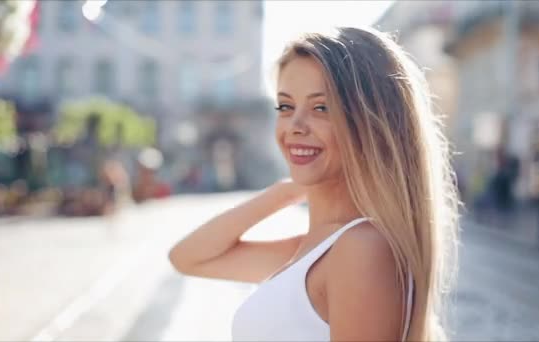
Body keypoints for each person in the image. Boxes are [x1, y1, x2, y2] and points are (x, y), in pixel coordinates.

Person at [169, 27, 459, 341]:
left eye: (321, 107)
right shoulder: (316, 248)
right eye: (285, 106)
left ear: (370, 123)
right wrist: (283, 192)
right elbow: (187, 257)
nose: (295, 126)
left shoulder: (361, 249)